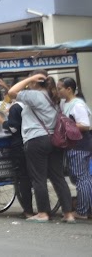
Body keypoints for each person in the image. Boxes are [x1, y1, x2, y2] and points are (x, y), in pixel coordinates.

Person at [8, 71, 75, 223]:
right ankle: (68, 214)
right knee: (58, 177)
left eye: (31, 80)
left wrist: (29, 78)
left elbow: (11, 92)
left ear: (35, 82)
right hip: (55, 140)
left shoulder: (35, 95)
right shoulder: (55, 96)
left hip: (36, 140)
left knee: (39, 178)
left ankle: (43, 213)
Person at [0, 98, 34, 217]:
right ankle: (44, 210)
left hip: (19, 145)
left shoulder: (15, 108)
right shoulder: (29, 105)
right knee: (36, 177)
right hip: (32, 142)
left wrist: (1, 120)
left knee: (23, 178)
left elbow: (13, 128)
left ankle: (28, 210)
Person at [57, 77, 92, 219]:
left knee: (81, 178)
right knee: (81, 177)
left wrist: (66, 126)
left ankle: (82, 211)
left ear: (69, 89)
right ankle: (87, 209)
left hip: (79, 145)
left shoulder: (78, 105)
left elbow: (85, 125)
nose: (58, 91)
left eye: (60, 88)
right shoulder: (65, 103)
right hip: (73, 145)